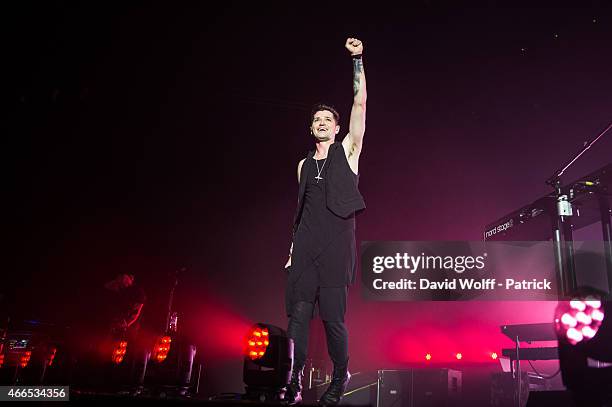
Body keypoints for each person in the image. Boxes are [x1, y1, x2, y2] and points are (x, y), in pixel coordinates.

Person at [284, 37, 367, 405]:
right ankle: (293, 379)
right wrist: (291, 250)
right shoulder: (303, 165)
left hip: (336, 246)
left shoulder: (348, 151)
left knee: (333, 319)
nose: (320, 122)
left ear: (336, 128)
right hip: (305, 247)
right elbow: (300, 211)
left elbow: (360, 102)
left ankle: (339, 375)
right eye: (315, 119)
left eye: (326, 119)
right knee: (298, 317)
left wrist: (357, 60)